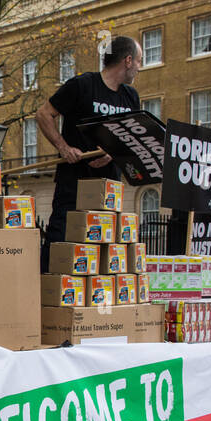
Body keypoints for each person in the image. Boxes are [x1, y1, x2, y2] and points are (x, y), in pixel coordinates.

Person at [36, 35, 142, 270]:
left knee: (103, 250)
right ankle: (48, 298)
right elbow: (44, 114)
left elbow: (130, 138)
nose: (139, 67)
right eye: (138, 61)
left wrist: (112, 153)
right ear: (127, 60)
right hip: (74, 181)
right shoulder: (82, 85)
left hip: (107, 185)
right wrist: (64, 147)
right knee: (61, 242)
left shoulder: (130, 97)